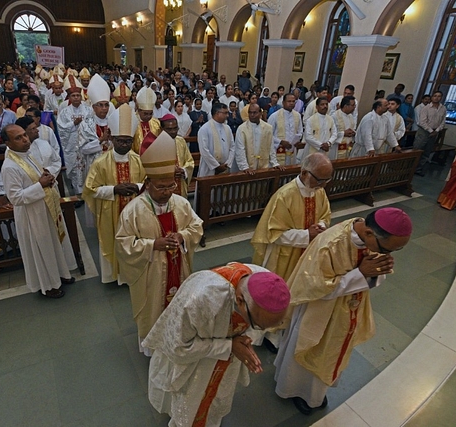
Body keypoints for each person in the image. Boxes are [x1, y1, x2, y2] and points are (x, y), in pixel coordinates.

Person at [274, 207, 412, 415]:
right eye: (385, 250)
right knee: (310, 350)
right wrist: (360, 274)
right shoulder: (330, 244)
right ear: (368, 233)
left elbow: (375, 272)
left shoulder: (371, 236)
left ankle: (315, 394)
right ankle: (297, 391)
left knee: (333, 352)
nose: (386, 254)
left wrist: (377, 270)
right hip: (319, 311)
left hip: (348, 310)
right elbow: (314, 288)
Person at [142, 262, 291, 427]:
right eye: (258, 325)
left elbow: (255, 325)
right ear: (240, 300)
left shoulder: (264, 281)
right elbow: (179, 347)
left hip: (225, 361)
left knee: (216, 400)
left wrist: (246, 340)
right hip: (196, 362)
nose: (260, 330)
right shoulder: (200, 299)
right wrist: (229, 346)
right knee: (190, 403)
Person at [116, 130, 203, 354]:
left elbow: (197, 226)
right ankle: (152, 348)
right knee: (154, 307)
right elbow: (123, 243)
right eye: (161, 187)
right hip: (151, 273)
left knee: (179, 305)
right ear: (148, 184)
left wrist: (182, 236)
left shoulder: (181, 203)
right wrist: (152, 245)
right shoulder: (133, 210)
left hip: (178, 267)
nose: (166, 192)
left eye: (170, 186)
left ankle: (178, 339)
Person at [250, 153, 332, 351]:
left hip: (307, 253)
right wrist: (305, 235)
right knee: (279, 294)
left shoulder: (318, 191)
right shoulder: (284, 195)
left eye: (327, 181)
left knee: (298, 291)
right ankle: (272, 335)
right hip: (284, 256)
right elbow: (273, 233)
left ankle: (289, 326)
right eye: (320, 180)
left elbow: (325, 214)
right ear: (304, 173)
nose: (323, 185)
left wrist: (320, 225)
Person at [0, 124, 75, 299]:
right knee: (41, 249)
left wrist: (48, 179)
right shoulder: (10, 166)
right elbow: (15, 198)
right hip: (31, 215)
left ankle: (60, 275)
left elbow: (41, 176)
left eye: (24, 135)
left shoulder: (29, 155)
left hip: (45, 207)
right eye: (18, 137)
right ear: (7, 143)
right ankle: (48, 286)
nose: (25, 139)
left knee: (53, 244)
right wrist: (40, 185)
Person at [82, 104, 146, 284]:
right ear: (113, 139)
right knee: (114, 242)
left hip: (135, 211)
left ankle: (132, 274)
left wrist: (136, 186)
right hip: (111, 212)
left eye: (128, 141)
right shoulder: (100, 163)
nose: (124, 145)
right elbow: (90, 189)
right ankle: (114, 277)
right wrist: (114, 189)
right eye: (120, 140)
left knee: (135, 240)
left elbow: (148, 182)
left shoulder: (138, 160)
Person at [57, 82, 90, 196]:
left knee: (86, 168)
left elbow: (92, 126)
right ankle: (78, 193)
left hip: (85, 145)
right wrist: (73, 124)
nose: (76, 98)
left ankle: (87, 190)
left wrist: (83, 126)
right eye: (73, 96)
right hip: (72, 146)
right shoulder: (65, 112)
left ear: (81, 97)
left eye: (78, 95)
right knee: (75, 170)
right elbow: (61, 128)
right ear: (69, 98)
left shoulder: (87, 110)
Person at [79, 74, 114, 182]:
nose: (104, 108)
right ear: (94, 107)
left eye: (106, 105)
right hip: (93, 166)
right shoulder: (86, 124)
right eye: (100, 105)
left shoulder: (113, 121)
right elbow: (83, 149)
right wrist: (101, 140)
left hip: (112, 164)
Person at [234, 103, 280, 173]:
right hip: (247, 168)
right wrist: (244, 167)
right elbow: (240, 149)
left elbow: (270, 147)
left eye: (255, 112)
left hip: (263, 166)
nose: (252, 115)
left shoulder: (268, 128)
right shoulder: (242, 129)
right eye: (250, 112)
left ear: (260, 113)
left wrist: (275, 163)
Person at [159, 114, 195, 198]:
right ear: (161, 129)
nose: (173, 132)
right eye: (169, 129)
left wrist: (183, 171)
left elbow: (190, 161)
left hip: (180, 185)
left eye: (175, 128)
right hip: (164, 187)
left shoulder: (181, 141)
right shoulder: (155, 145)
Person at [413, 90, 447, 175]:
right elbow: (422, 122)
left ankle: (419, 169)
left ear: (441, 98)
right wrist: (431, 131)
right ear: (432, 97)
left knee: (427, 151)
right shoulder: (426, 108)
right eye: (435, 96)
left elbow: (443, 121)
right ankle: (411, 168)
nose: (437, 97)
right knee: (417, 150)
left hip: (435, 132)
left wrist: (437, 131)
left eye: (439, 96)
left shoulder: (443, 108)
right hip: (424, 131)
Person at [197, 103, 235, 177]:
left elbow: (232, 147)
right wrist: (216, 166)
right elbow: (204, 150)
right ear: (217, 113)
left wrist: (228, 163)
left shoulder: (227, 128)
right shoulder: (205, 129)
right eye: (225, 113)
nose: (227, 115)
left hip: (225, 167)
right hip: (209, 168)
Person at [268, 93, 304, 166]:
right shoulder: (274, 116)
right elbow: (268, 134)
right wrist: (280, 142)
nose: (291, 103)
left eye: (293, 101)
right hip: (278, 149)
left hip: (292, 149)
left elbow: (300, 131)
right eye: (289, 101)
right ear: (283, 102)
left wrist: (297, 140)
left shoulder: (297, 115)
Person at [132, 87, 161, 153]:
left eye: (151, 113)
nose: (148, 116)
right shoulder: (132, 122)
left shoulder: (156, 123)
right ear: (139, 111)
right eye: (145, 114)